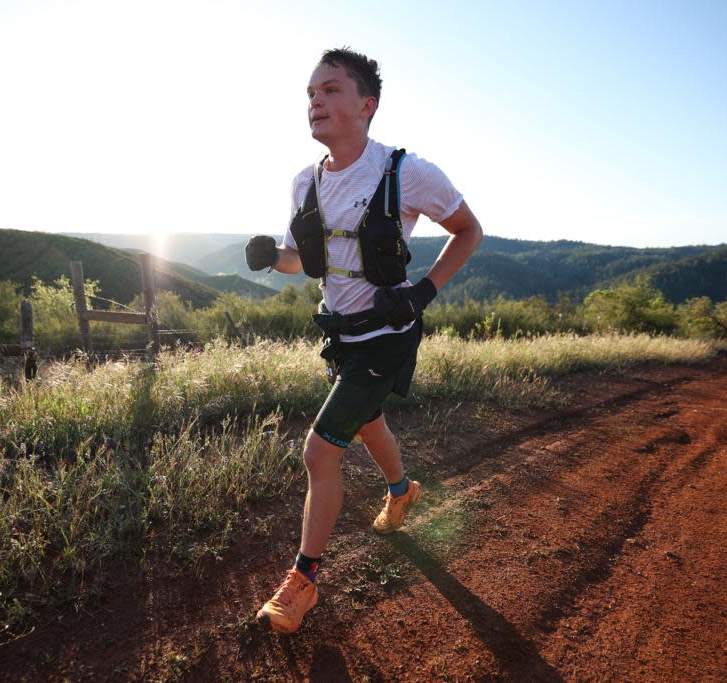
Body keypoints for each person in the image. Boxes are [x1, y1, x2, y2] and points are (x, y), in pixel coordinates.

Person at [244, 47, 483, 634]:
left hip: (388, 334)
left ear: (365, 105)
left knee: (321, 452)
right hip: (342, 336)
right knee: (368, 420)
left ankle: (302, 584)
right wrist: (270, 259)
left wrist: (425, 290)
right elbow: (304, 262)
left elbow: (468, 230)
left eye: (329, 90)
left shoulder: (404, 171)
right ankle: (402, 491)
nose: (315, 102)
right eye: (309, 94)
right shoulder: (305, 181)